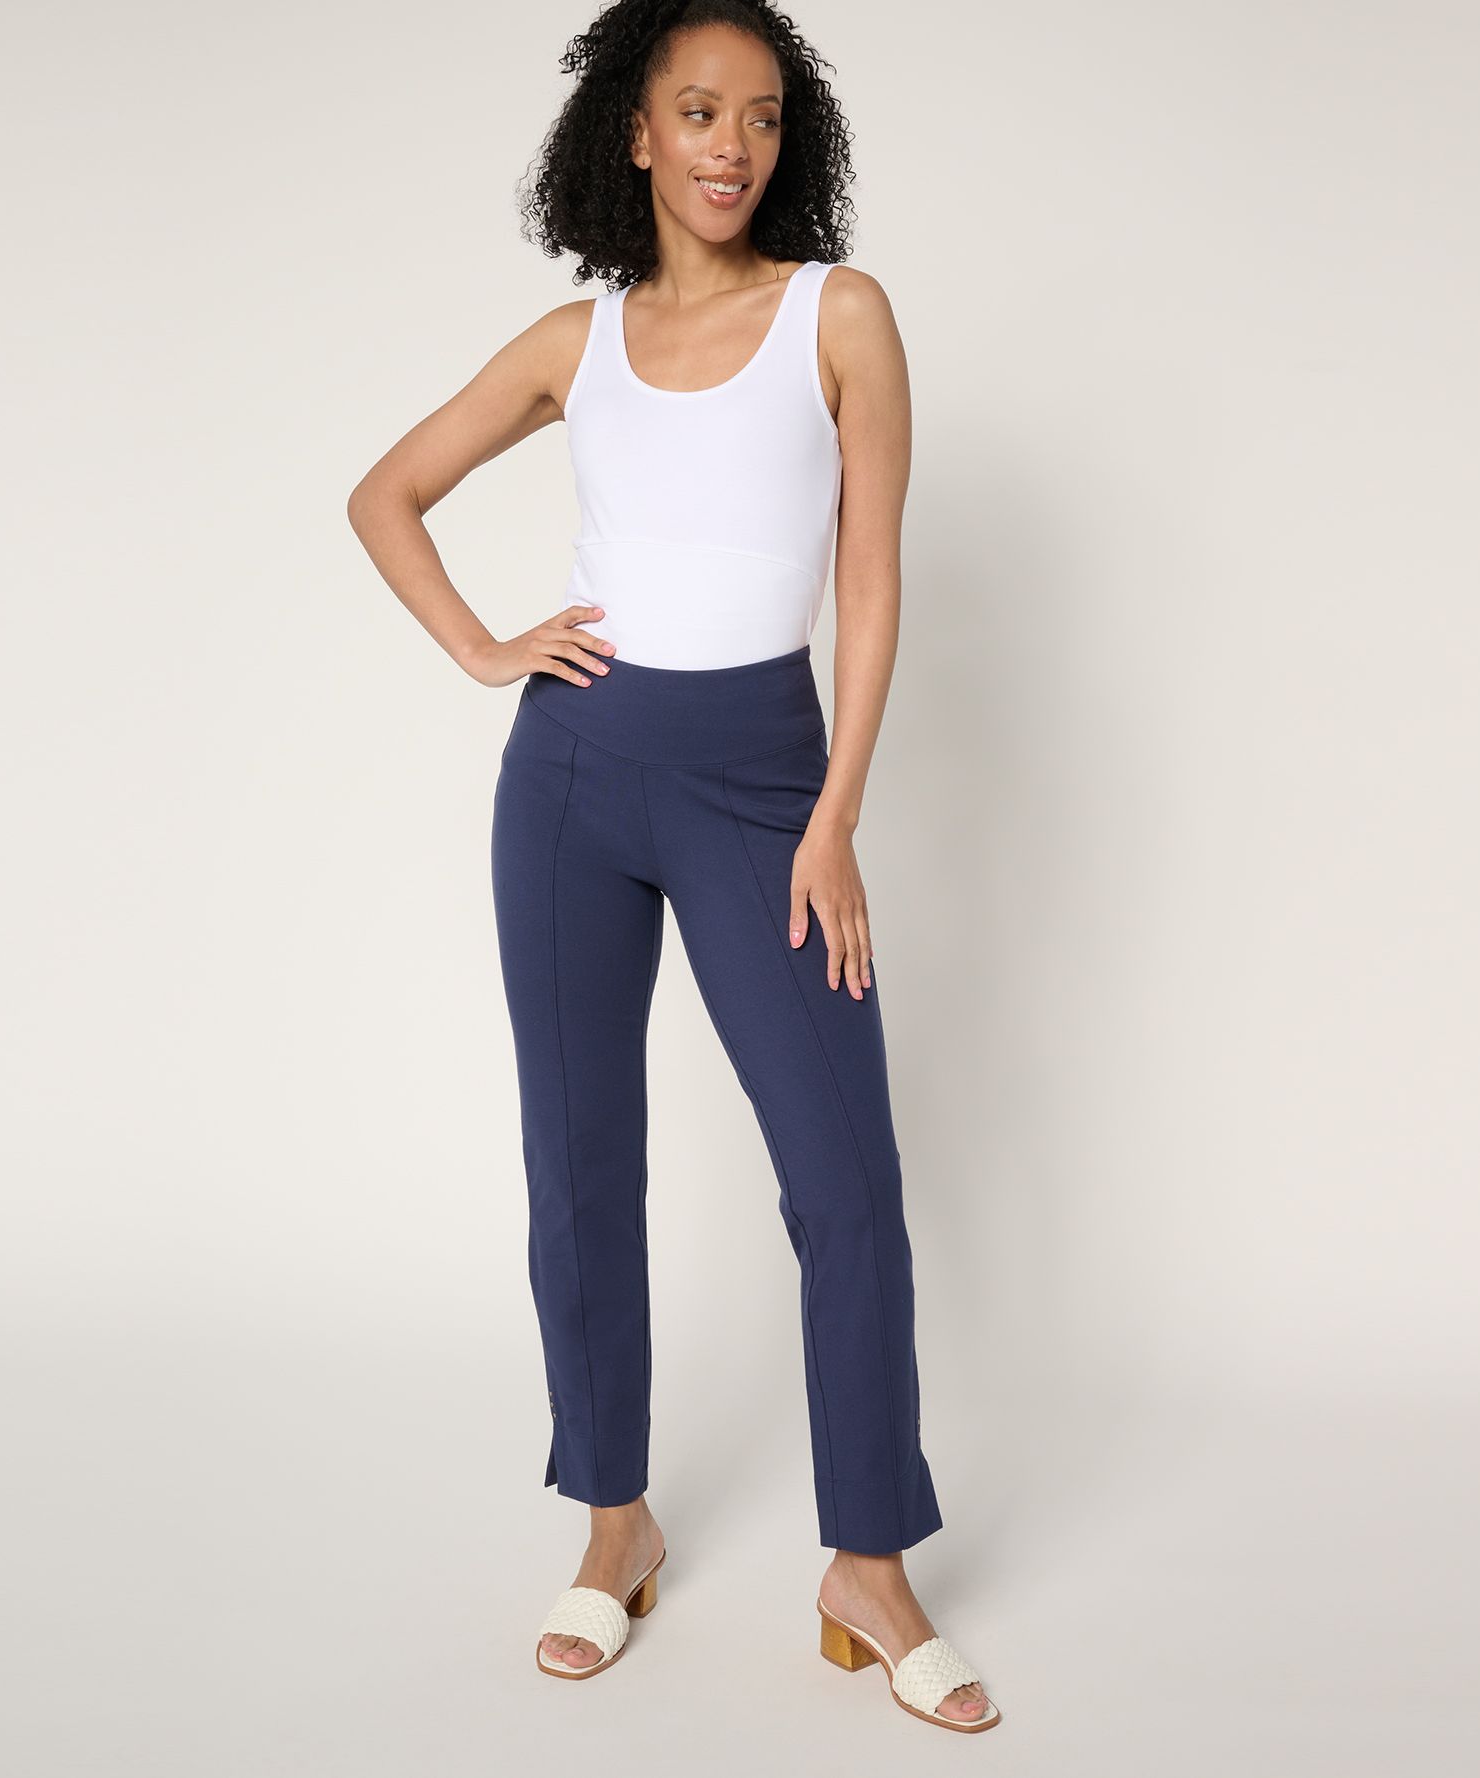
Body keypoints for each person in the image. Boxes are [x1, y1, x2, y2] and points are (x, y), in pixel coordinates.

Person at [348, 0, 997, 1733]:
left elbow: (869, 578)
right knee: (580, 1165)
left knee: (843, 1181)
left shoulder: (839, 316)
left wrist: (834, 813)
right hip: (573, 778)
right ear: (634, 133)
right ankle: (613, 1518)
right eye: (699, 111)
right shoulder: (577, 341)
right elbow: (384, 494)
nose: (732, 145)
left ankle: (869, 1563)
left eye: (763, 116)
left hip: (765, 781)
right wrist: (490, 648)